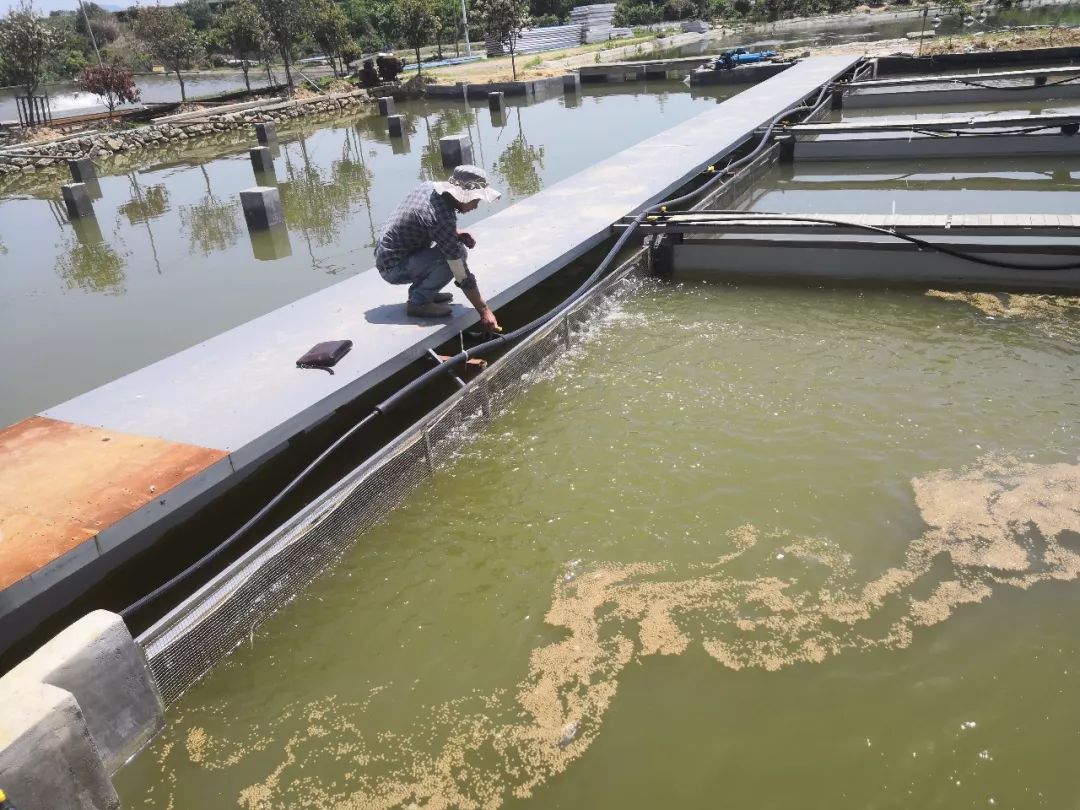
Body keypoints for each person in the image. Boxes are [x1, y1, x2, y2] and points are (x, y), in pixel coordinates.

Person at [376, 165, 501, 332]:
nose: (475, 206)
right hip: (392, 267)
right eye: (475, 200)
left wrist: (455, 233)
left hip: (388, 255)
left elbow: (431, 223)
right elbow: (460, 272)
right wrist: (484, 310)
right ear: (461, 195)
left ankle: (425, 291)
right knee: (455, 257)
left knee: (453, 250)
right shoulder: (439, 217)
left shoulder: (429, 188)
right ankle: (419, 302)